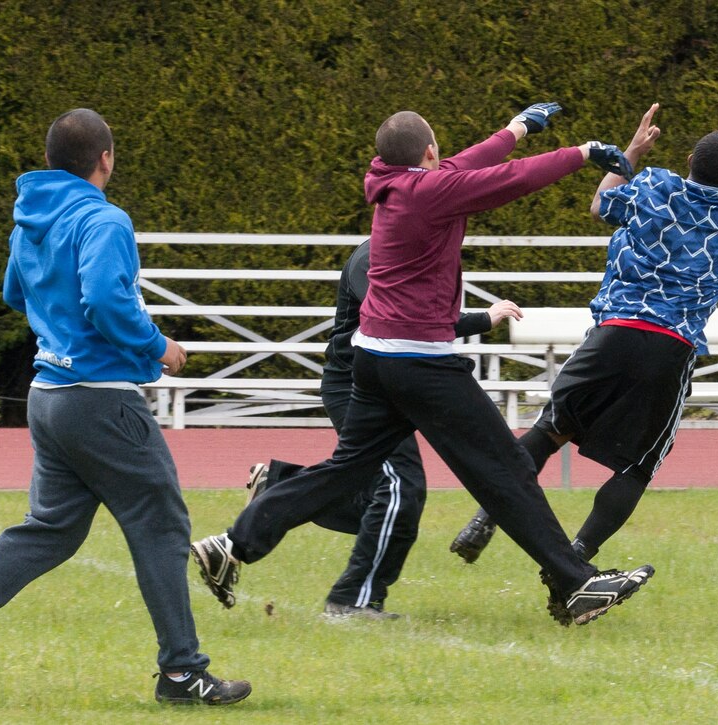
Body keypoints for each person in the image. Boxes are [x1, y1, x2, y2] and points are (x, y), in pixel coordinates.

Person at [191, 103, 655, 627]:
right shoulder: (429, 193)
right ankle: (574, 584)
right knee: (507, 468)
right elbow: (507, 180)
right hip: (420, 364)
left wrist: (518, 128)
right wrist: (583, 153)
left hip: (373, 359)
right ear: (427, 153)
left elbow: (470, 163)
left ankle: (230, 544)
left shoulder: (402, 184)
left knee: (348, 470)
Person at [449, 102, 718, 622]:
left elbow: (600, 206)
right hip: (670, 347)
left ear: (688, 160)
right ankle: (573, 566)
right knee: (638, 466)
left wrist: (631, 152)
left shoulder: (655, 184)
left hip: (610, 334)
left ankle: (486, 513)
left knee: (549, 432)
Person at [0, 109, 250, 706]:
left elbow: (14, 292)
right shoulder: (105, 219)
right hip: (100, 399)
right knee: (162, 525)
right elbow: (101, 298)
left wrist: (61, 332)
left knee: (52, 527)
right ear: (105, 158)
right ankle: (182, 673)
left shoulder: (29, 219)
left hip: (48, 396)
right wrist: (159, 347)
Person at [247, 239, 523, 619]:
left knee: (394, 499)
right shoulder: (371, 258)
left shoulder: (412, 253)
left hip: (387, 384)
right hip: (354, 387)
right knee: (399, 491)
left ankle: (280, 487)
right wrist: (481, 320)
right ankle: (351, 600)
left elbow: (420, 322)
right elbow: (402, 320)